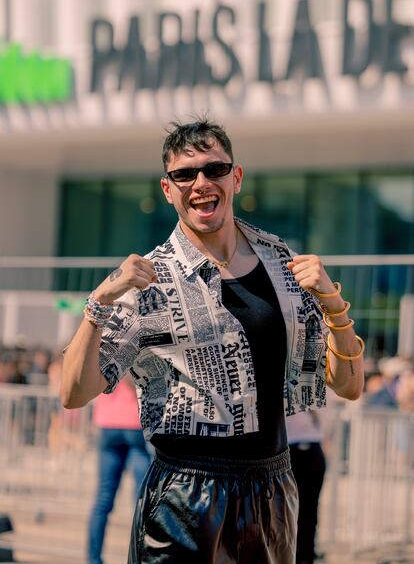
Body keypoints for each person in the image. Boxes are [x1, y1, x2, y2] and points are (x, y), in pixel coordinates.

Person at [60, 118, 365, 564]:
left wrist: (333, 302)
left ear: (235, 177)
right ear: (168, 190)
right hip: (186, 496)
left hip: (273, 489)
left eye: (214, 169)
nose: (200, 183)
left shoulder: (282, 261)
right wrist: (101, 298)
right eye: (185, 175)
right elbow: (73, 393)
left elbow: (349, 386)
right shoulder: (148, 279)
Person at [87, 375, 153, 564]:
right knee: (141, 503)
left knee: (103, 499)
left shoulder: (104, 345)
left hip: (107, 422)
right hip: (134, 423)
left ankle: (93, 559)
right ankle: (141, 558)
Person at [287, 409, 327, 564]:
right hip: (312, 448)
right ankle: (305, 556)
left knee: (291, 512)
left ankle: (301, 555)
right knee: (309, 511)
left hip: (292, 448)